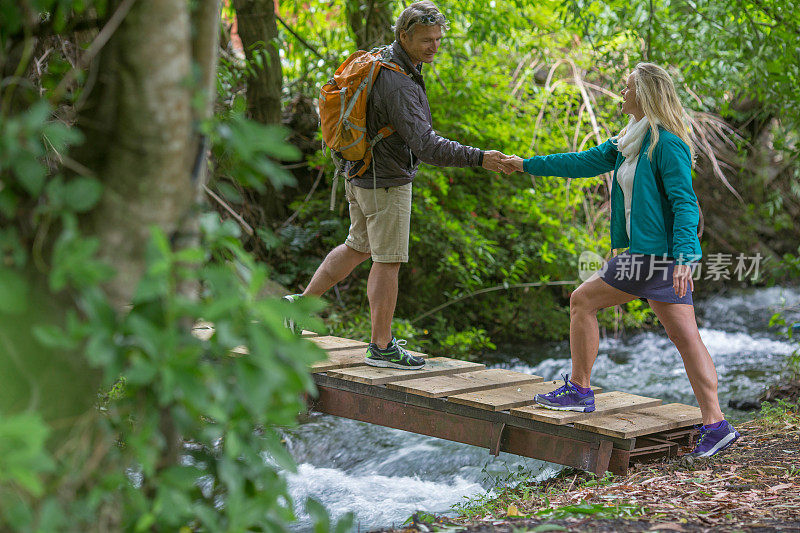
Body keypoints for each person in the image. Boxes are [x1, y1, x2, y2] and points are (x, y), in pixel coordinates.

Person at [501, 63, 740, 457]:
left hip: (651, 258)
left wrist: (685, 257)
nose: (621, 92)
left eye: (627, 87)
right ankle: (716, 424)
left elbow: (685, 204)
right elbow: (577, 164)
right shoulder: (627, 142)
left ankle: (579, 389)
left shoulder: (666, 144)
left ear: (645, 93)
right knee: (686, 338)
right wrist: (524, 163)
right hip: (651, 258)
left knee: (582, 300)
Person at [286, 1, 510, 370]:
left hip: (360, 173)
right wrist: (479, 157)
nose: (434, 46)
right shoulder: (399, 84)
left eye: (438, 39)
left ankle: (299, 306)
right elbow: (427, 145)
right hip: (385, 181)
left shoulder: (381, 59)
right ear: (403, 36)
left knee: (357, 246)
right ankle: (381, 347)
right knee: (388, 261)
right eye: (425, 40)